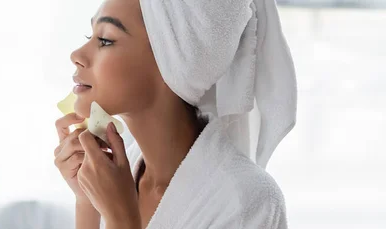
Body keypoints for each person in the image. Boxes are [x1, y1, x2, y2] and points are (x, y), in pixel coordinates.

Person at [53, 0, 297, 228]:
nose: (77, 55)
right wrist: (86, 202)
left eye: (105, 40)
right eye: (90, 35)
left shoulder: (248, 201)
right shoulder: (118, 171)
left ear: (170, 61)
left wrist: (121, 217)